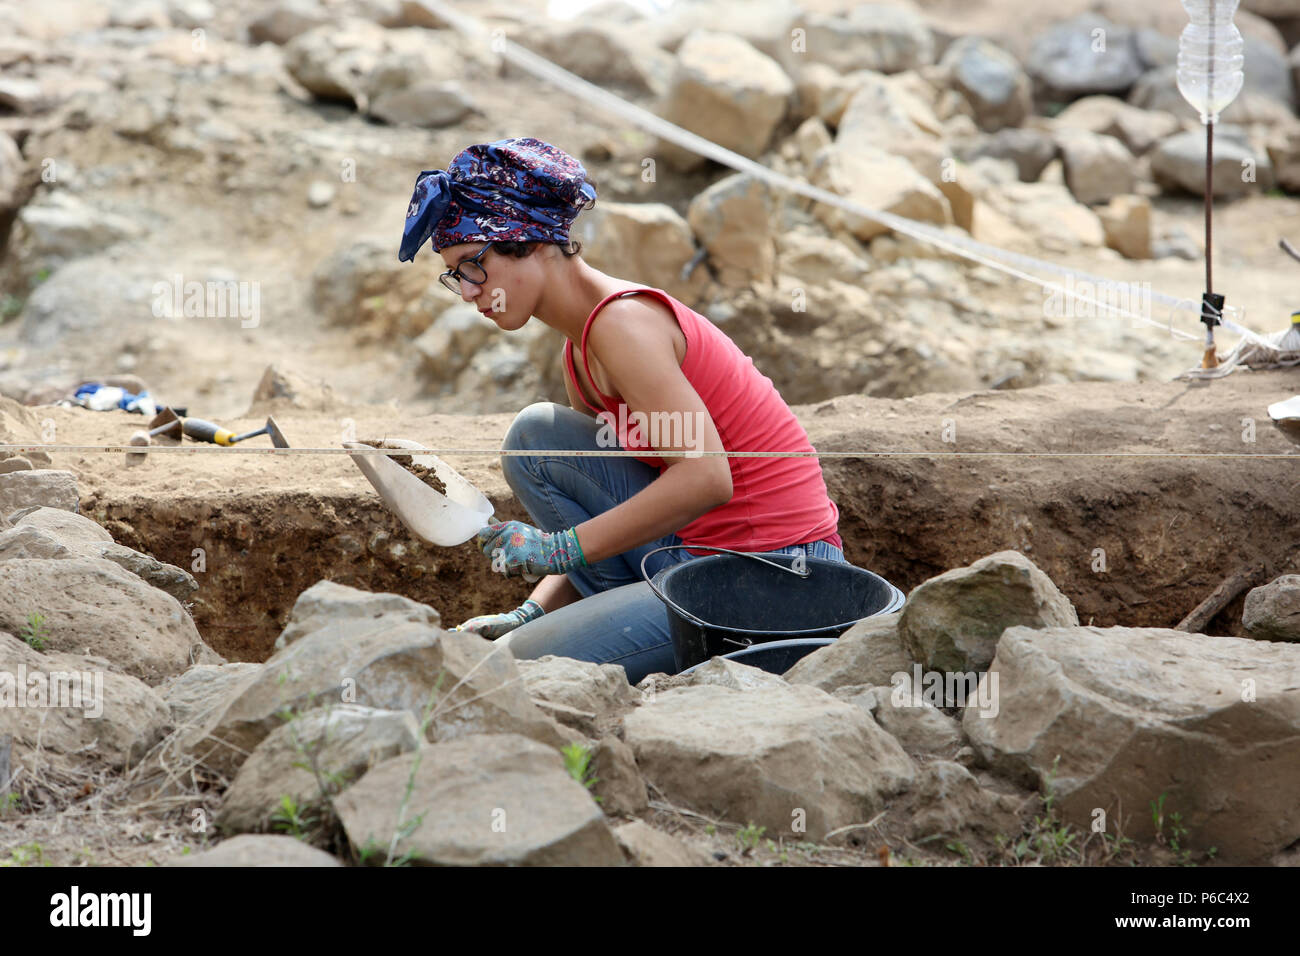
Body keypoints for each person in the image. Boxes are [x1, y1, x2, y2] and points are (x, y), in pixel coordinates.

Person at [398, 135, 847, 685]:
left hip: (774, 576)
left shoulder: (623, 327)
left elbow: (708, 478)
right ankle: (613, 621)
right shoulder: (581, 350)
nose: (468, 293)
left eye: (473, 266)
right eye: (456, 276)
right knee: (536, 438)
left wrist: (558, 549)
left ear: (535, 243)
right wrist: (533, 610)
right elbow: (602, 525)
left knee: (506, 672)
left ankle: (628, 633)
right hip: (693, 555)